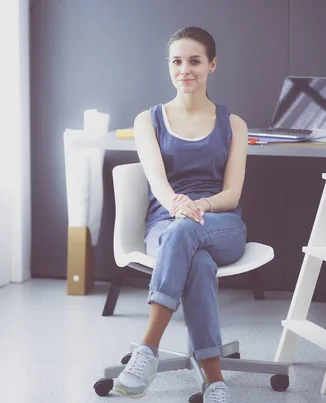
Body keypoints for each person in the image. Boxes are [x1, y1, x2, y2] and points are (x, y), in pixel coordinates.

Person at [113, 26, 249, 403]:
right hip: (166, 225)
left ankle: (147, 349)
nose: (184, 69)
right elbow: (156, 180)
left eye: (194, 61)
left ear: (212, 65)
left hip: (222, 226)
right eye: (177, 61)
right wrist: (178, 204)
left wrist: (200, 206)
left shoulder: (233, 123)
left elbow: (232, 194)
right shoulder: (149, 120)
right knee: (196, 261)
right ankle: (215, 382)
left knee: (186, 233)